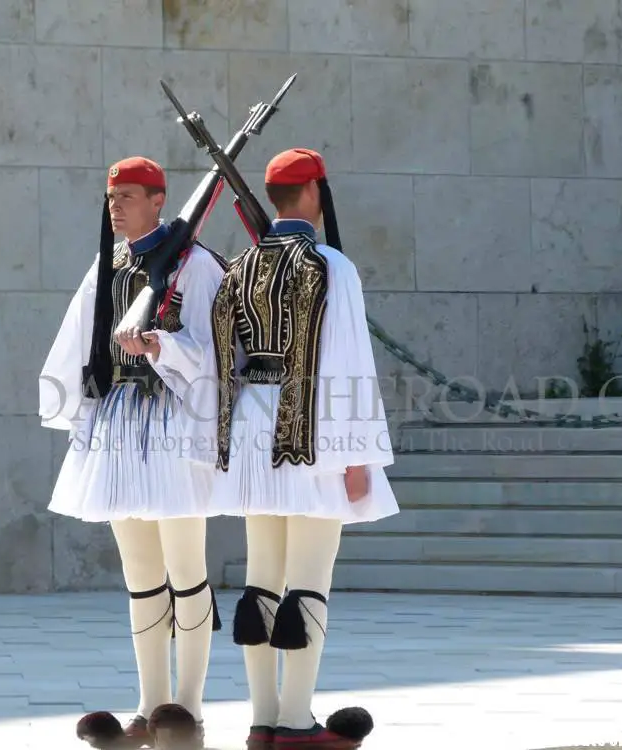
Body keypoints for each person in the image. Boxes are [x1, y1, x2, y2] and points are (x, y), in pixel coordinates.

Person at [208, 148, 400, 749]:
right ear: (314, 192)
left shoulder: (238, 267)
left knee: (262, 579)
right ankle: (296, 724)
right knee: (310, 578)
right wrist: (358, 453)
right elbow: (348, 364)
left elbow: (223, 362)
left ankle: (262, 721)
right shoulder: (330, 266)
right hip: (311, 430)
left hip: (250, 428)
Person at [39, 156, 227, 750]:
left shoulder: (195, 265)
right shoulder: (110, 263)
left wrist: (159, 345)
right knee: (142, 577)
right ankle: (149, 705)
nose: (115, 205)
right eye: (111, 196)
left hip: (173, 425)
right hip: (120, 424)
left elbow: (210, 350)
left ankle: (189, 708)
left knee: (186, 572)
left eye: (127, 196)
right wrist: (75, 411)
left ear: (158, 199)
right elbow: (79, 339)